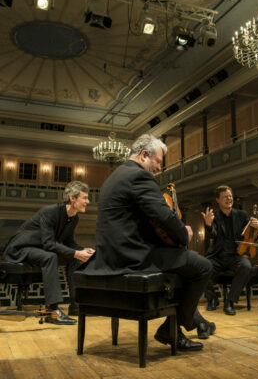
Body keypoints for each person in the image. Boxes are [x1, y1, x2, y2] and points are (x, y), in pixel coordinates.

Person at [82, 134, 214, 350]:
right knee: (202, 266)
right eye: (158, 161)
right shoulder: (139, 177)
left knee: (183, 265)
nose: (159, 167)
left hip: (110, 256)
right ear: (144, 155)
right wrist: (184, 232)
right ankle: (178, 325)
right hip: (132, 256)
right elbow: (164, 216)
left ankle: (179, 327)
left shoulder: (113, 178)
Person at [3, 181, 95, 324]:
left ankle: (76, 306)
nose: (88, 201)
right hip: (20, 248)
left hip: (39, 249)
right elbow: (49, 244)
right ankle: (52, 311)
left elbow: (69, 243)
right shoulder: (50, 212)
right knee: (51, 256)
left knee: (74, 259)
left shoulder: (74, 218)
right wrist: (76, 252)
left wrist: (82, 250)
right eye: (84, 198)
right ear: (72, 198)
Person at [202, 185, 258, 315]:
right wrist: (208, 225)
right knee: (202, 267)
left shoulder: (242, 215)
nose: (229, 199)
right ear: (218, 200)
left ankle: (230, 301)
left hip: (236, 255)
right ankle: (212, 299)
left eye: (230, 196)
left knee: (246, 266)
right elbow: (214, 234)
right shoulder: (214, 216)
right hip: (218, 256)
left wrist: (257, 227)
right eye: (225, 197)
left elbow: (252, 235)